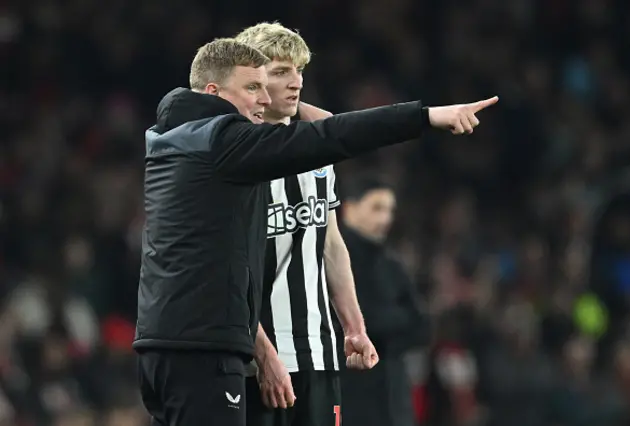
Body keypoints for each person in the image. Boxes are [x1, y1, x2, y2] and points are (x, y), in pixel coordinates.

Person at [134, 37, 498, 426]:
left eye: (295, 74)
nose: (279, 90)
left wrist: (353, 325)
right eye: (257, 85)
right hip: (219, 348)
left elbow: (327, 232)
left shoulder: (175, 140)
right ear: (214, 92)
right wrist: (426, 117)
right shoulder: (232, 149)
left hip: (201, 342)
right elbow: (331, 135)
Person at [235, 22, 375, 426]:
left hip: (320, 348)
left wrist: (353, 327)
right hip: (256, 357)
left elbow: (330, 243)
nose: (295, 83)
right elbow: (229, 266)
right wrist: (261, 352)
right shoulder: (236, 158)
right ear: (255, 82)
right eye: (281, 72)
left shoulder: (316, 150)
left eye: (299, 71)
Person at [336, 179, 430, 426]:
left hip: (393, 395)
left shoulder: (392, 265)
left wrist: (379, 325)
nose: (385, 218)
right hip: (351, 394)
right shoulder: (333, 263)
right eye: (377, 208)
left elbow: (421, 327)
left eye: (389, 210)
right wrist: (393, 322)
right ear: (350, 209)